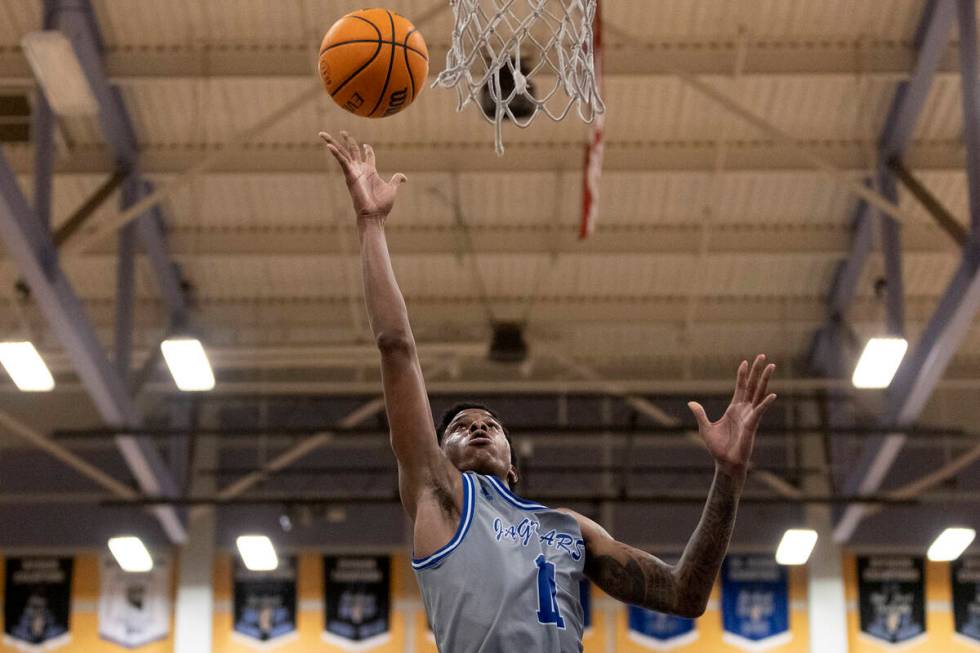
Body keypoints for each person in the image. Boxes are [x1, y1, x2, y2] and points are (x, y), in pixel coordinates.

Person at [320, 131, 777, 652]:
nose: (477, 427)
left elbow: (684, 594)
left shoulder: (570, 529)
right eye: (459, 426)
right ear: (435, 452)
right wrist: (371, 224)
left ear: (514, 465)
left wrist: (729, 476)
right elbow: (396, 346)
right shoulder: (440, 494)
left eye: (490, 424)